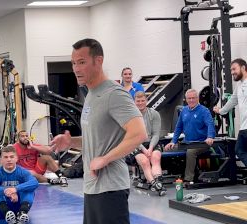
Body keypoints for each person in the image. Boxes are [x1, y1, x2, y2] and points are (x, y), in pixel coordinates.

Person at [51, 38, 148, 224]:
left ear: (99, 61)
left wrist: (105, 159)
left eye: (82, 62)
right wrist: (71, 142)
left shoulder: (114, 94)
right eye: (73, 63)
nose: (76, 69)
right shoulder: (91, 94)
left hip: (111, 188)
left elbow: (139, 133)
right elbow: (98, 139)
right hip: (93, 187)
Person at [164, 89, 216, 182]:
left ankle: (188, 179)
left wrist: (210, 137)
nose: (191, 100)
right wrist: (173, 142)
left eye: (193, 98)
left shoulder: (204, 111)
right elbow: (178, 127)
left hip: (201, 143)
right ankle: (165, 176)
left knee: (191, 152)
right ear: (186, 99)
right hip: (187, 142)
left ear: (197, 99)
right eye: (189, 98)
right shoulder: (184, 110)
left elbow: (210, 125)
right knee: (167, 148)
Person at [0, 145, 38, 224]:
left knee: (29, 189)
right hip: (2, 209)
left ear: (16, 158)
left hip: (20, 205)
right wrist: (5, 191)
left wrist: (15, 189)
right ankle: (7, 213)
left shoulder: (22, 171)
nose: (9, 160)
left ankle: (22, 212)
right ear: (1, 160)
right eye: (6, 157)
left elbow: (34, 182)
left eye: (11, 157)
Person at [213, 58, 247, 167]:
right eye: (231, 70)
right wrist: (220, 111)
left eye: (234, 69)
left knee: (239, 149)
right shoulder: (239, 86)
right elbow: (232, 101)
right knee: (239, 150)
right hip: (244, 127)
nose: (232, 72)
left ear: (243, 68)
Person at [132, 91, 165, 192]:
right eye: (138, 101)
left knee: (155, 158)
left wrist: (150, 148)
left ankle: (158, 181)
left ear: (146, 101)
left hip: (151, 142)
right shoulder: (130, 116)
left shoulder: (154, 114)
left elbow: (156, 134)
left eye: (142, 101)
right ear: (134, 102)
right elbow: (133, 136)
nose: (140, 103)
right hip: (136, 144)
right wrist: (144, 150)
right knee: (145, 162)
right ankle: (154, 184)